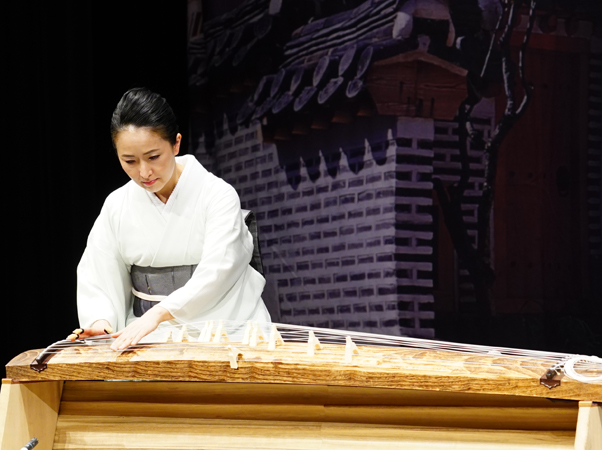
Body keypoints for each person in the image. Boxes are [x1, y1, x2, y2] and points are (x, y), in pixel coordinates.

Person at [72, 88, 270, 350]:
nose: (144, 172)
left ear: (176, 143)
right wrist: (102, 322)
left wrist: (159, 313)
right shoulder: (117, 205)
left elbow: (219, 270)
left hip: (228, 329)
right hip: (146, 336)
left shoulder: (217, 195)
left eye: (153, 157)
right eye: (129, 161)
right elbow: (98, 274)